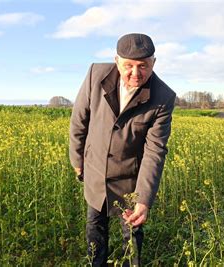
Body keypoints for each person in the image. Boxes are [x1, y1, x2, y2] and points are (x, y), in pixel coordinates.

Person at [69, 33, 176, 266]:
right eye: (128, 65)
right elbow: (79, 120)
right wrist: (77, 160)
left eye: (143, 66)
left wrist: (144, 199)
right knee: (95, 228)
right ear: (116, 61)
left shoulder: (163, 97)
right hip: (95, 171)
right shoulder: (95, 75)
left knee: (132, 235)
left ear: (154, 63)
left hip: (130, 180)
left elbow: (155, 151)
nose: (135, 74)